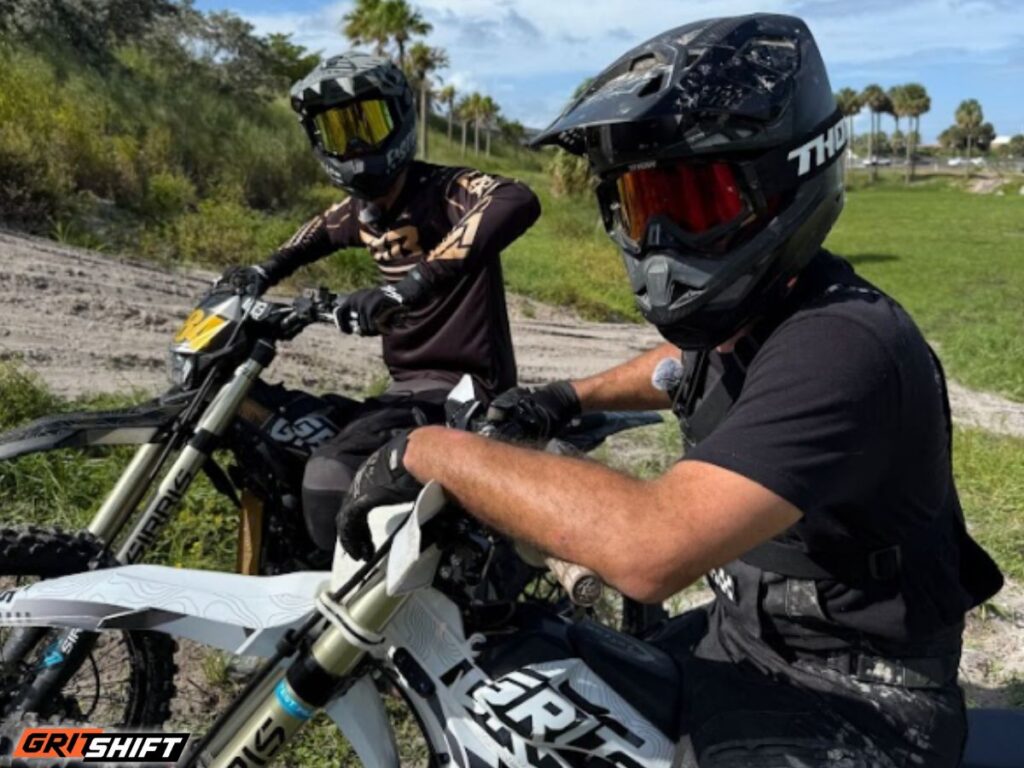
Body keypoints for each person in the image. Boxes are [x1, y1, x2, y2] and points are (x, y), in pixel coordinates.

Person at [336, 14, 1003, 767]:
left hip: (853, 695)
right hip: (743, 642)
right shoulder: (757, 317)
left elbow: (652, 545)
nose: (661, 246)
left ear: (788, 178)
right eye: (642, 208)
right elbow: (679, 368)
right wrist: (567, 397)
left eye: (693, 206)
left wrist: (430, 450)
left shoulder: (844, 343)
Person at [219, 52, 540, 551]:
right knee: (279, 443)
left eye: (367, 123)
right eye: (337, 131)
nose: (354, 145)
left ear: (400, 118)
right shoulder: (361, 214)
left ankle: (364, 621)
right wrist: (257, 275)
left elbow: (515, 197)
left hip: (465, 391)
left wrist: (405, 289)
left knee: (328, 476)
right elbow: (305, 241)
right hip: (404, 392)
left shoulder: (443, 189)